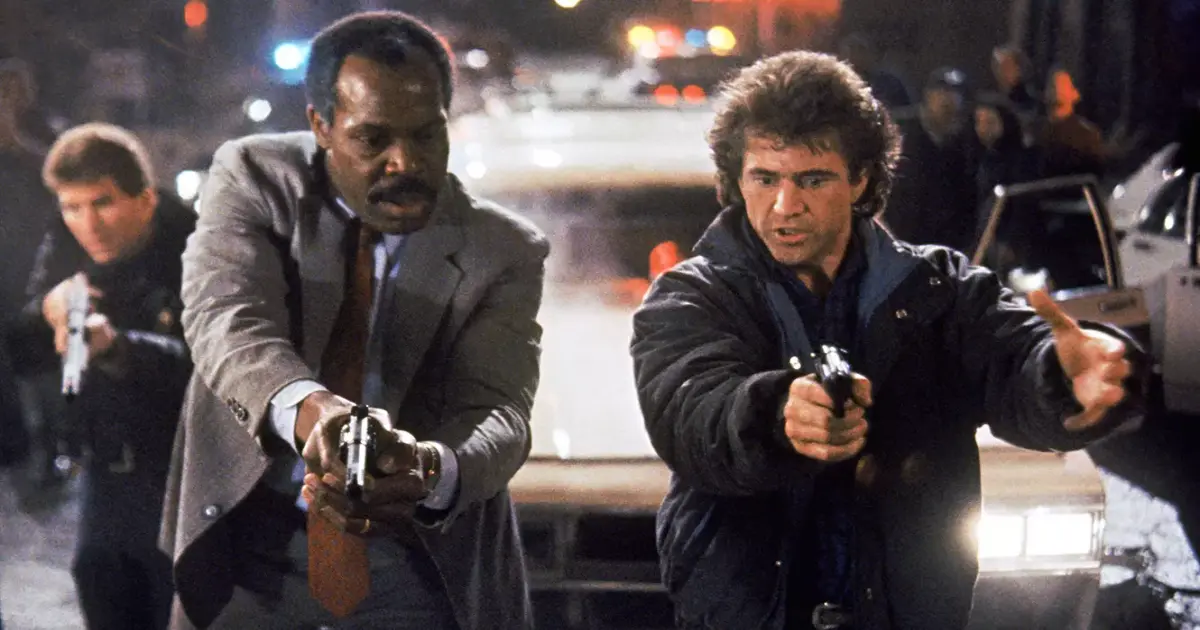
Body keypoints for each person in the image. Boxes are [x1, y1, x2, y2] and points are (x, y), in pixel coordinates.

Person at [629, 51, 1147, 629]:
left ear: (860, 179)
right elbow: (690, 410)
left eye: (813, 179)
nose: (785, 205)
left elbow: (1013, 359)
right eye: (765, 178)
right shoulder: (692, 296)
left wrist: (1066, 378)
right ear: (736, 179)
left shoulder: (939, 289)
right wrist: (776, 415)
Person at [158, 10, 548, 630]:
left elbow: (498, 412)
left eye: (427, 135)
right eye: (373, 140)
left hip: (415, 556)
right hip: (249, 543)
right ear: (321, 125)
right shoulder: (256, 177)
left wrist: (427, 468)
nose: (405, 162)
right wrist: (314, 413)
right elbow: (226, 319)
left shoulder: (504, 249)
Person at [5, 122, 195, 630]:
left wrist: (117, 348)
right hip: (107, 472)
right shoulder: (67, 243)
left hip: (185, 475)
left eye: (103, 203)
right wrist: (48, 310)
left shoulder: (197, 252)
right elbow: (23, 350)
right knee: (103, 589)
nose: (88, 223)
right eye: (72, 206)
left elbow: (208, 368)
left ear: (145, 200)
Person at [884, 66, 980, 252]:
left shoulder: (963, 142)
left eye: (954, 94)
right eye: (941, 92)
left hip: (945, 245)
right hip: (901, 240)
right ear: (928, 96)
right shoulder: (901, 132)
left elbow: (966, 197)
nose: (947, 99)